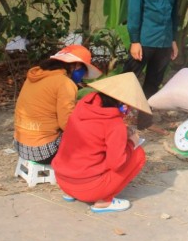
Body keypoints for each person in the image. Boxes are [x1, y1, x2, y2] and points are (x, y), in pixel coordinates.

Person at [52, 72, 148, 213]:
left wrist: (121, 136)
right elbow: (116, 163)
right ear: (123, 103)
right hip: (88, 190)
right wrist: (131, 143)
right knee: (138, 154)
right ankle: (104, 201)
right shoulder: (114, 124)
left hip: (62, 181)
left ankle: (71, 194)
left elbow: (93, 135)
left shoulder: (82, 107)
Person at [122, 0, 188, 135]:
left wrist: (174, 40)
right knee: (128, 79)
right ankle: (117, 118)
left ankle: (143, 121)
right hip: (145, 38)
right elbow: (134, 8)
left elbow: (174, 10)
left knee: (153, 82)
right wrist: (135, 40)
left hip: (164, 40)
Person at [13, 45, 102, 164]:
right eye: (83, 70)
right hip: (43, 152)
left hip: (20, 145)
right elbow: (66, 124)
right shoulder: (64, 83)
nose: (82, 76)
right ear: (76, 65)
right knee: (90, 137)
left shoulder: (35, 76)